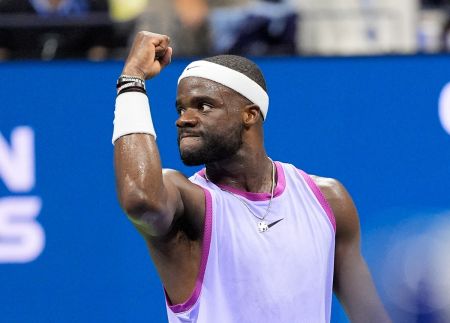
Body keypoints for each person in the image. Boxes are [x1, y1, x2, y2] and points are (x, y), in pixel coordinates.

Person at [113, 31, 391, 322]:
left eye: (203, 105)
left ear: (249, 114)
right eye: (181, 108)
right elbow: (140, 198)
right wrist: (133, 79)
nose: (183, 118)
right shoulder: (189, 203)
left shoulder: (328, 200)